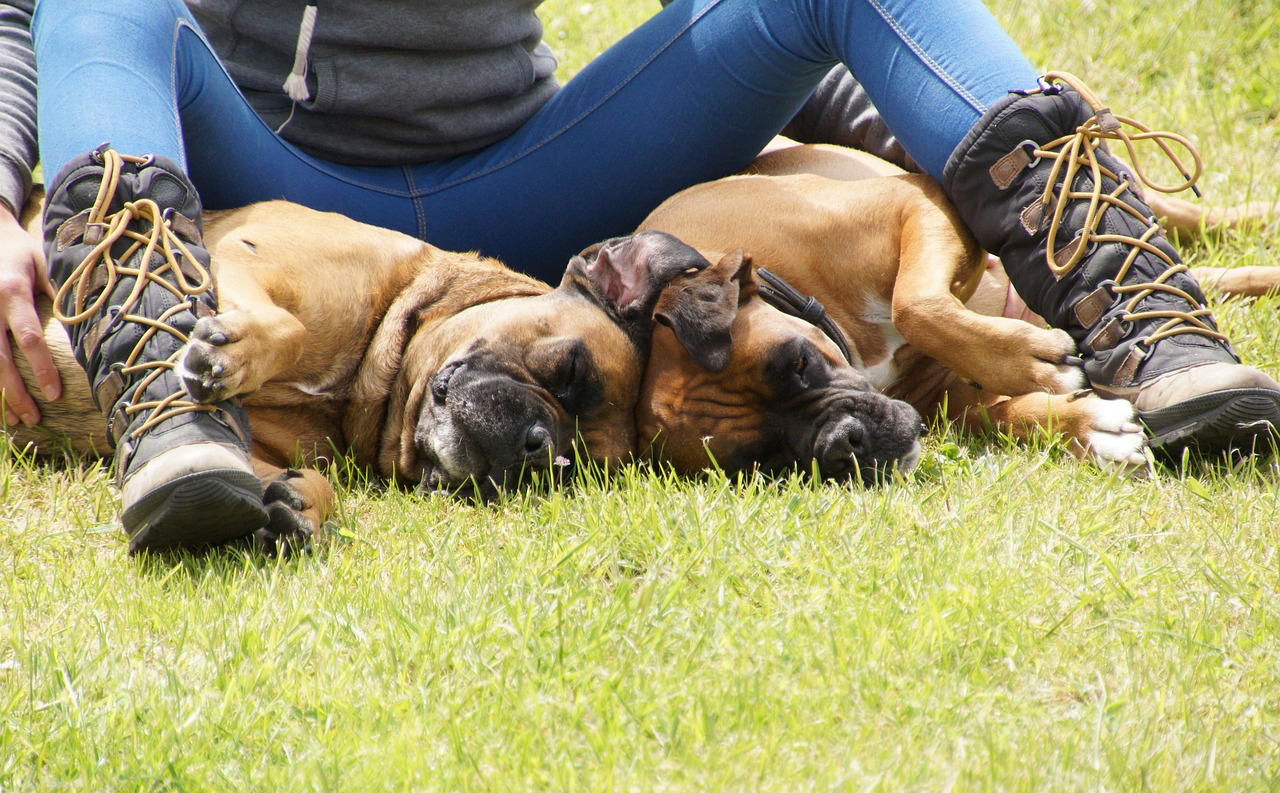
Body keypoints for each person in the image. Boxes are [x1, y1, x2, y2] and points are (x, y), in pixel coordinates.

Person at [2, 0, 1277, 551]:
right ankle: (180, 420)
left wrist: (945, 144)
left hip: (536, 192)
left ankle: (1150, 331)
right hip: (249, 173)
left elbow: (761, 31)